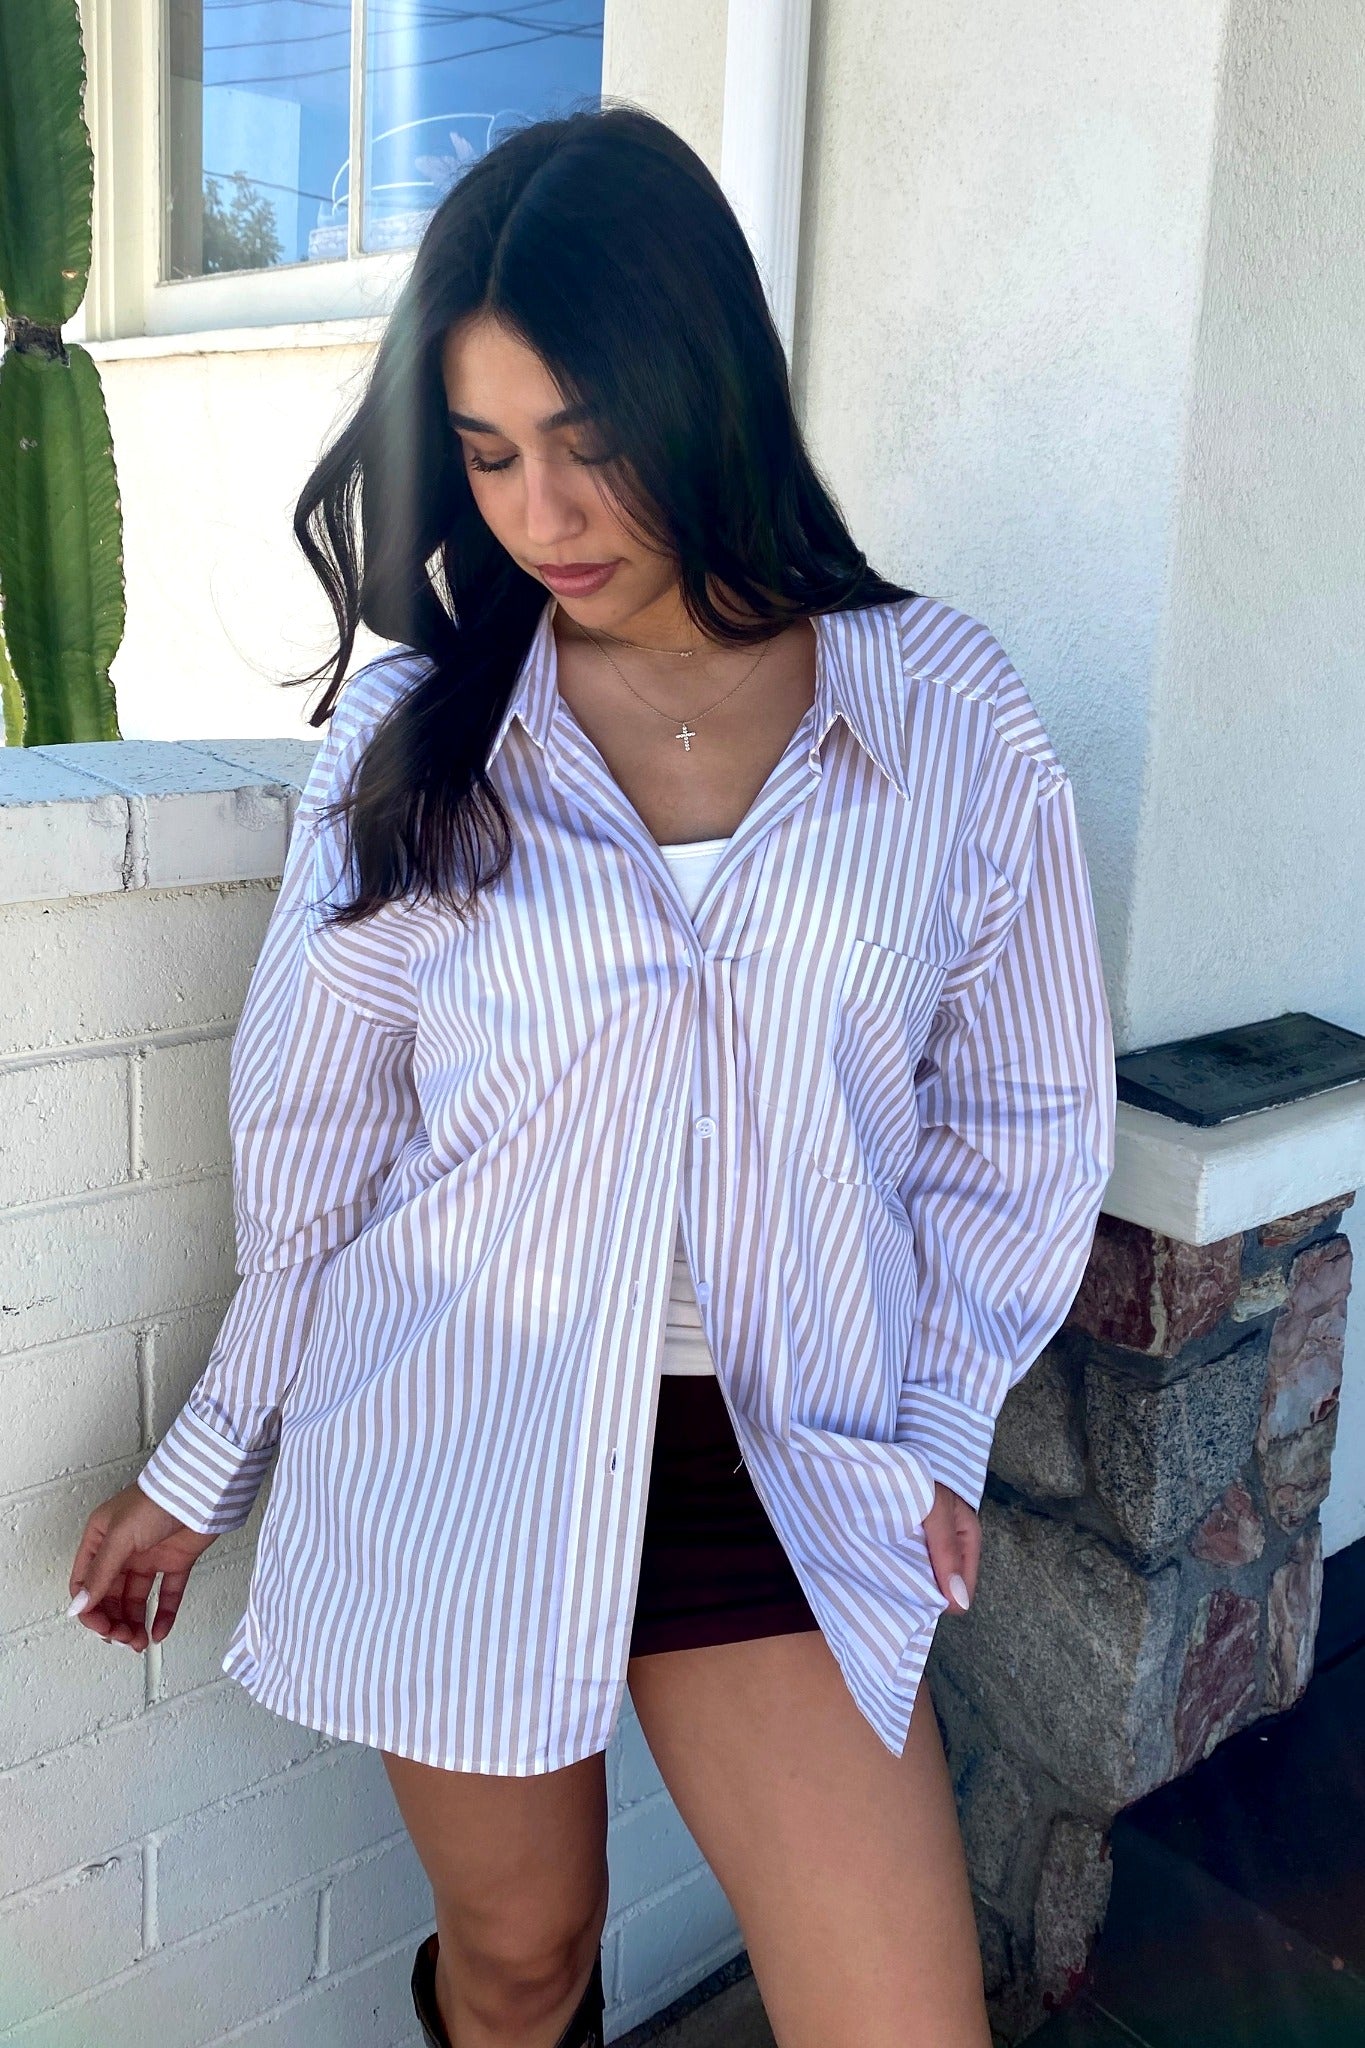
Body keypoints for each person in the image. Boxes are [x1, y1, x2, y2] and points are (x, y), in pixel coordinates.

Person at [66, 104, 1115, 2048]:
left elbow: (1023, 1111)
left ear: (700, 392)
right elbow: (317, 1143)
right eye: (487, 455)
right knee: (526, 1960)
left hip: (779, 1455)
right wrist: (202, 1459)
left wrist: (939, 1413)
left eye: (587, 443)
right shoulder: (417, 738)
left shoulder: (939, 714)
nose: (539, 514)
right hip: (460, 1429)